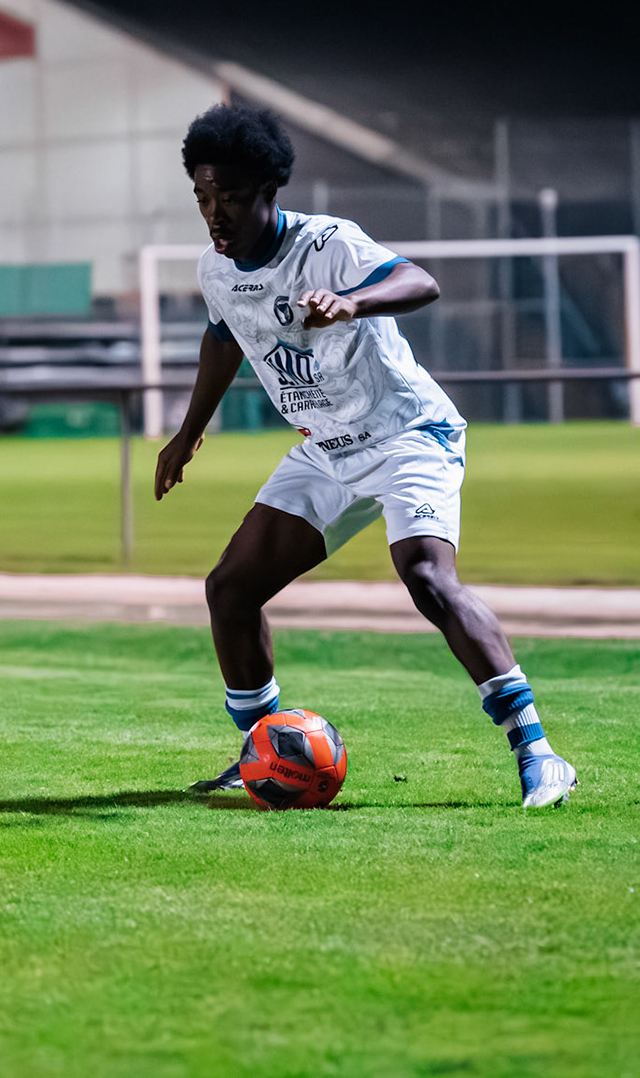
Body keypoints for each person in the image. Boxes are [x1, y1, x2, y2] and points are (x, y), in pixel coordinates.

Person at [154, 105, 577, 809]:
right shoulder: (216, 269)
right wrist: (189, 430)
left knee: (427, 579)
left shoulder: (328, 245)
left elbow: (420, 282)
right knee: (230, 590)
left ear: (268, 189)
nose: (214, 212)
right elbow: (223, 338)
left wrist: (353, 303)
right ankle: (264, 751)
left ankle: (539, 752)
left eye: (228, 195)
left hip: (407, 433)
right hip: (326, 449)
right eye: (202, 195)